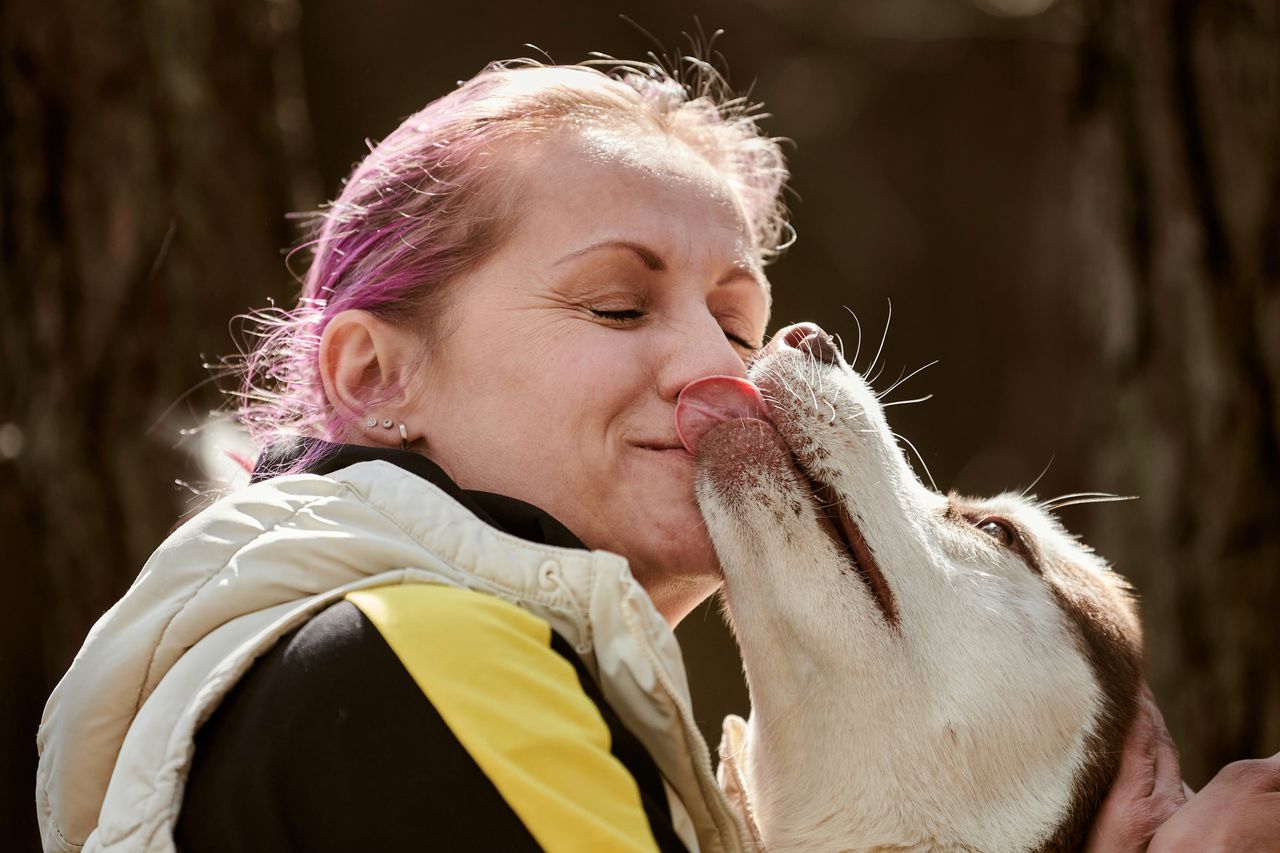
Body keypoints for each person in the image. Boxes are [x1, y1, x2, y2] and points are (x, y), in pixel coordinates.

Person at [34, 58, 1276, 853]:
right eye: (618, 308)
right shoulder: (423, 657)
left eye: (735, 322)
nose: (721, 369)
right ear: (379, 377)